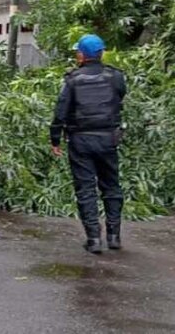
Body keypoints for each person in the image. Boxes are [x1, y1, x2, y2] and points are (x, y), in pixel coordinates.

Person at [50, 34, 127, 254]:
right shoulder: (115, 77)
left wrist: (55, 139)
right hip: (108, 139)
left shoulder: (72, 80)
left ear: (82, 55)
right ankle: (114, 236)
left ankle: (93, 239)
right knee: (111, 187)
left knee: (86, 189)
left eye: (78, 52)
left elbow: (60, 112)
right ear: (101, 53)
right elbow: (120, 97)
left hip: (81, 141)